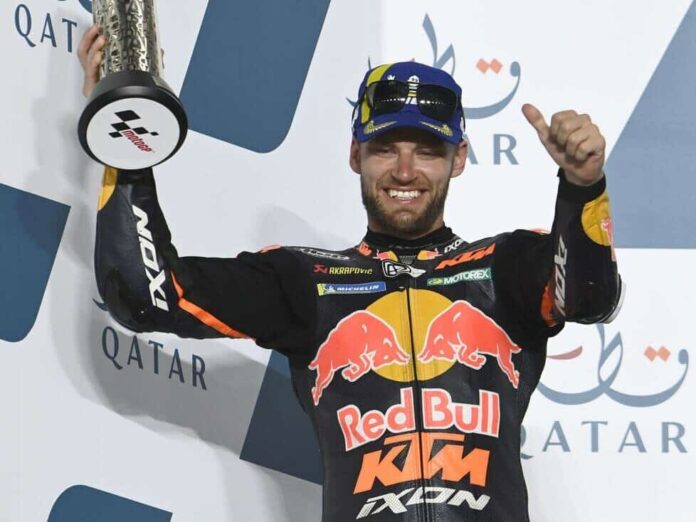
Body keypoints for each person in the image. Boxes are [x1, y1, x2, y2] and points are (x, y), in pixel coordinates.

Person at [79, 25, 623, 522]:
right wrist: (125, 136)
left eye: (427, 151)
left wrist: (583, 187)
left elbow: (590, 298)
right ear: (355, 154)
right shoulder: (305, 280)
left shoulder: (506, 266)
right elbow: (146, 295)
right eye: (385, 148)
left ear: (458, 158)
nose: (405, 171)